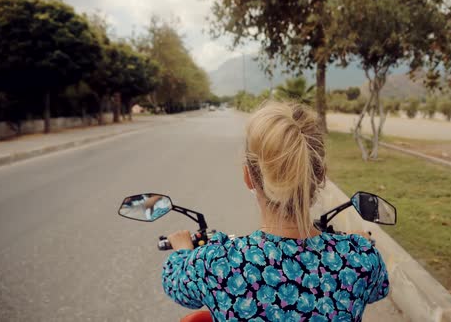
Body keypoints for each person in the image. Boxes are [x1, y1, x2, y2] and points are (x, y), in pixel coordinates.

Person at [162, 102, 389, 321]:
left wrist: (182, 249)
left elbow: (174, 285)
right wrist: (359, 245)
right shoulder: (361, 257)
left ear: (248, 177)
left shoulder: (214, 263)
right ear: (320, 175)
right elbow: (378, 289)